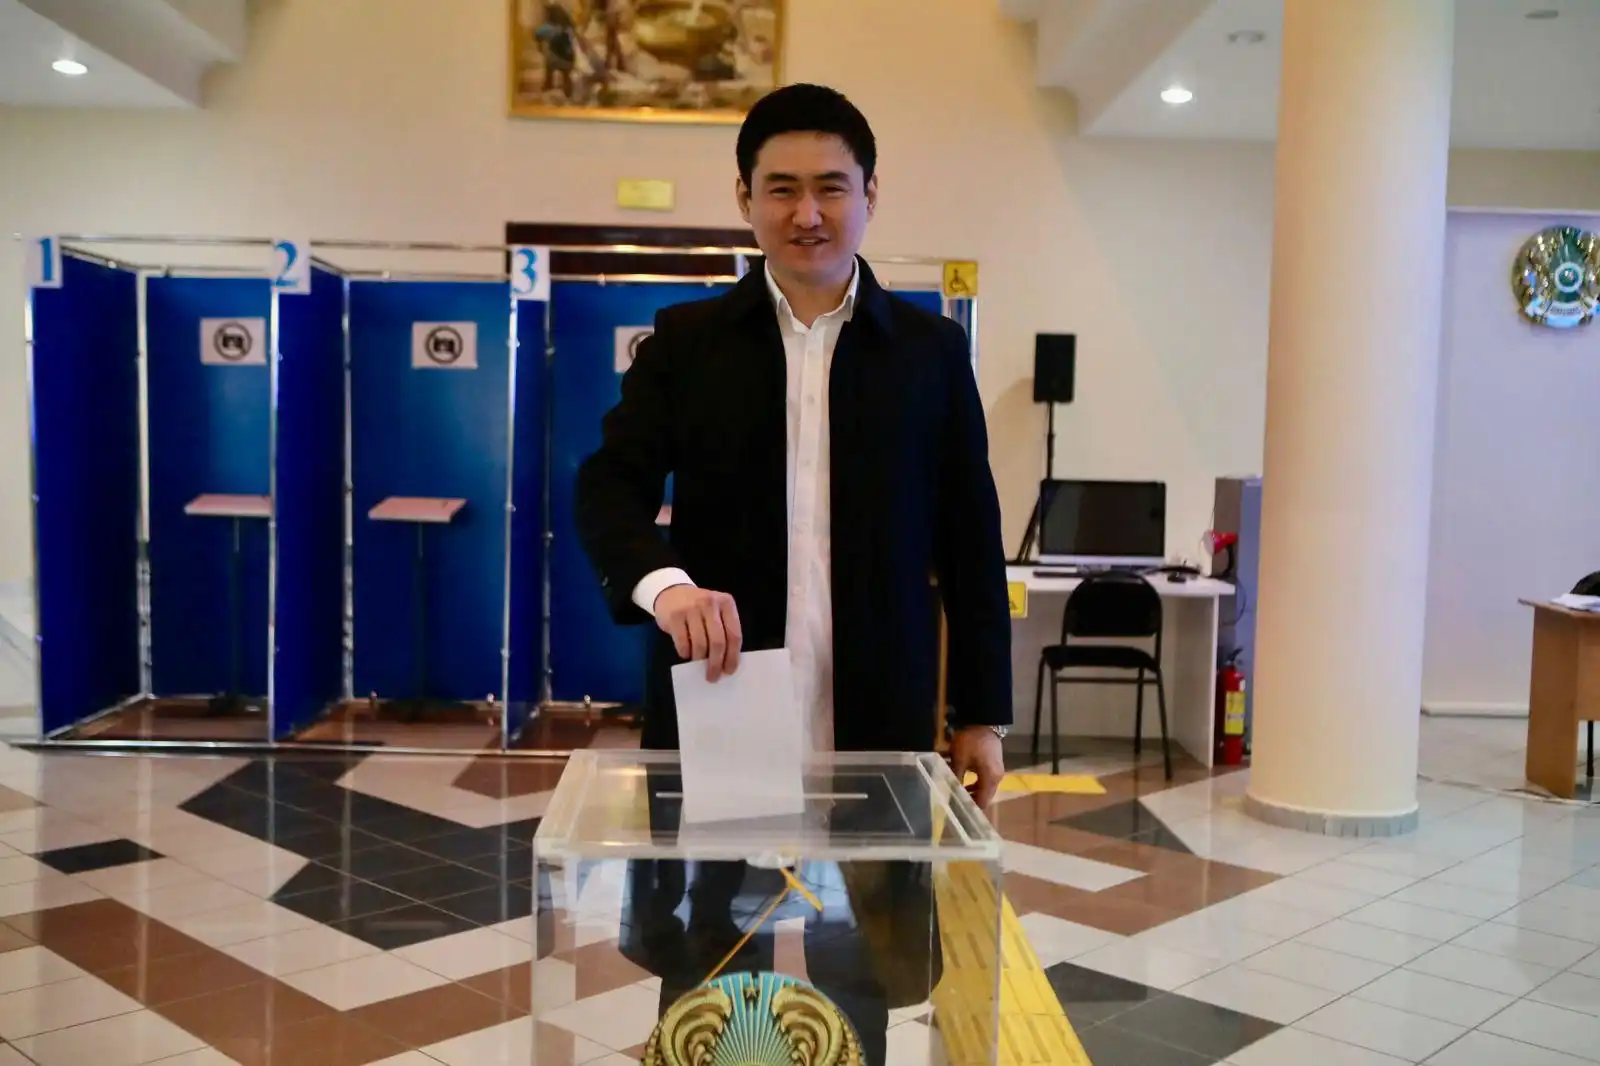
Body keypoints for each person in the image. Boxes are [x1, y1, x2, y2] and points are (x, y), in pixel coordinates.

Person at [575, 83, 1013, 1064]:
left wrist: (983, 712)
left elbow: (970, 539)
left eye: (830, 187)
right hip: (726, 699)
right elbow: (607, 487)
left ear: (869, 194)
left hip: (877, 716)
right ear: (745, 197)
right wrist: (666, 587)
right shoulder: (688, 343)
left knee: (860, 975)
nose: (807, 213)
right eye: (781, 188)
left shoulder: (930, 354)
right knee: (707, 969)